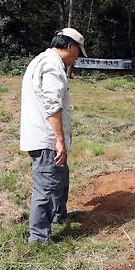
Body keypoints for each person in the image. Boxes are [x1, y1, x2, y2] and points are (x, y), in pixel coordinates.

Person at [20, 28, 87, 244]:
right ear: (70, 47)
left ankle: (59, 215)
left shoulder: (44, 60)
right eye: (78, 52)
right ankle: (39, 237)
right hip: (47, 138)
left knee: (60, 177)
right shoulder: (51, 65)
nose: (77, 58)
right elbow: (52, 104)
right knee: (47, 185)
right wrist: (59, 140)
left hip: (47, 136)